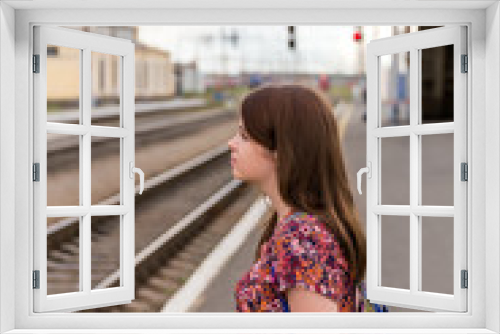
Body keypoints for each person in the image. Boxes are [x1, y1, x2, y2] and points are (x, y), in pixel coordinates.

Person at [228, 83, 389, 312]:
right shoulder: (297, 227)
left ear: (282, 150)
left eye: (244, 136)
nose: (231, 143)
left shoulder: (303, 239)